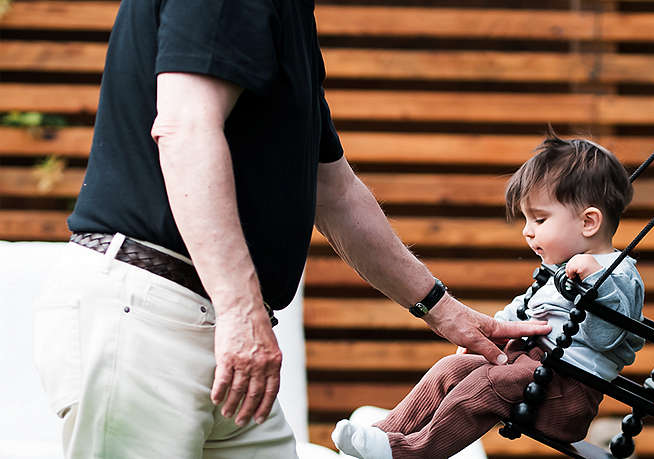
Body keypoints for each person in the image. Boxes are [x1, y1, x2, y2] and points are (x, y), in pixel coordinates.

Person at [30, 1, 552, 457]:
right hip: (150, 320)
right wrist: (240, 313)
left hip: (215, 332)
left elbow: (334, 191)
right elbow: (184, 127)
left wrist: (444, 312)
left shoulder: (290, 15)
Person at [331, 133, 646, 459]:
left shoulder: (619, 276)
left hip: (564, 395)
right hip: (530, 369)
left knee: (483, 387)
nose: (527, 230)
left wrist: (596, 279)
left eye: (539, 219)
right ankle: (386, 433)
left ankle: (411, 452)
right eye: (526, 219)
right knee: (450, 368)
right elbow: (524, 309)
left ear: (589, 222)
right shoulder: (561, 269)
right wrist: (488, 332)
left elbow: (609, 335)